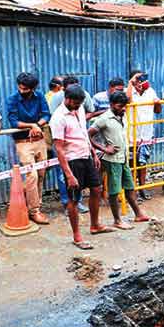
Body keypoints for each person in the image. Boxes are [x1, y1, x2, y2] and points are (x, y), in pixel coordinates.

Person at [51, 85, 113, 248]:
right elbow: (58, 148)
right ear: (68, 99)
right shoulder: (58, 117)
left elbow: (83, 133)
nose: (78, 106)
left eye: (80, 104)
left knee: (96, 189)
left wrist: (92, 152)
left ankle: (95, 225)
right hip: (72, 160)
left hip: (85, 155)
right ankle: (77, 236)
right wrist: (69, 174)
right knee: (73, 198)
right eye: (76, 103)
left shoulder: (78, 109)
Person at [88, 90, 150, 230]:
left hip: (123, 158)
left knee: (129, 187)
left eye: (124, 106)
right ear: (111, 104)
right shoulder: (104, 118)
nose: (123, 109)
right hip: (112, 160)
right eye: (119, 106)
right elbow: (89, 135)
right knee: (114, 191)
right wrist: (104, 149)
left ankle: (138, 213)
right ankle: (117, 220)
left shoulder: (122, 116)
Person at [6, 72, 51, 224]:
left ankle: (35, 204)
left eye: (25, 89)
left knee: (41, 174)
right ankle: (34, 211)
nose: (21, 90)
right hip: (23, 142)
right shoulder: (12, 99)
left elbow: (46, 115)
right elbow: (13, 122)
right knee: (32, 175)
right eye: (20, 87)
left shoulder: (39, 96)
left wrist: (38, 125)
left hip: (39, 140)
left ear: (33, 88)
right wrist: (32, 124)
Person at [125, 70, 161, 200]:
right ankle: (132, 190)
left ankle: (142, 188)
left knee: (143, 162)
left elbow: (157, 110)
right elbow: (127, 100)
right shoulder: (127, 91)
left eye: (142, 79)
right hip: (131, 135)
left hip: (146, 134)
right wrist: (131, 83)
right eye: (138, 79)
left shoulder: (150, 91)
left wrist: (158, 103)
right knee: (131, 164)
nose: (141, 82)